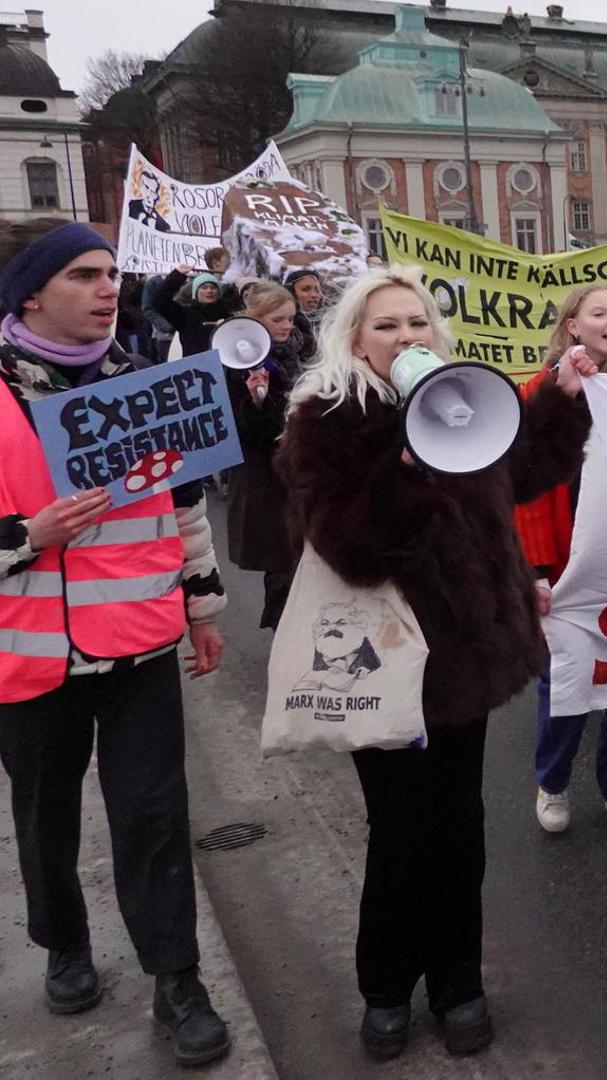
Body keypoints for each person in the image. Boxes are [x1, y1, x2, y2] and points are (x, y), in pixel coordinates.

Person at [276, 267, 595, 1060]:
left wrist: (557, 401)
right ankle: (386, 987)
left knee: (460, 824)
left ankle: (459, 984)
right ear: (356, 340)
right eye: (387, 326)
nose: (407, 337)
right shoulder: (327, 421)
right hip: (381, 665)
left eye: (417, 323)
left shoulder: (460, 397)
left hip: (467, 657)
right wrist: (410, 465)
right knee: (399, 830)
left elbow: (523, 472)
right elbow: (351, 547)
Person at [0, 218, 232, 1067]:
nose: (109, 291)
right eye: (85, 277)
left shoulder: (142, 382)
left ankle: (178, 982)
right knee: (44, 815)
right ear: (31, 293)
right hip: (27, 656)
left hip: (137, 645)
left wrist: (204, 610)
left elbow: (182, 506)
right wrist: (28, 533)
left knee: (154, 816)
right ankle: (65, 943)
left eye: (111, 276)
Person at [516, 284, 607, 834]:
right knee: (565, 681)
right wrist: (532, 569)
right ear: (572, 326)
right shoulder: (537, 392)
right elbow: (522, 489)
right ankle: (552, 782)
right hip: (563, 567)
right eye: (600, 312)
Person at [224, 282, 313, 630]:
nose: (287, 325)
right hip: (265, 475)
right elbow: (249, 432)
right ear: (256, 320)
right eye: (278, 319)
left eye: (291, 318)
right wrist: (257, 403)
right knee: (281, 561)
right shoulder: (238, 362)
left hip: (299, 467)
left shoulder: (297, 351)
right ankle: (283, 634)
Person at [144, 260, 240, 356]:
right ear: (196, 293)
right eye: (204, 287)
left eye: (213, 287)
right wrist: (177, 276)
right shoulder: (185, 315)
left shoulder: (228, 313)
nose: (209, 291)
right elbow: (160, 300)